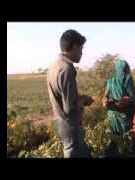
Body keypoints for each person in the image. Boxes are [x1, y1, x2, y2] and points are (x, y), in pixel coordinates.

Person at [47, 29, 93, 158]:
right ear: (73, 47)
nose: (82, 53)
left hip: (61, 122)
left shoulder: (54, 66)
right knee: (74, 152)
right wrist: (84, 100)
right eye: (81, 48)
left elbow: (63, 97)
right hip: (70, 124)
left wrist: (79, 98)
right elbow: (70, 108)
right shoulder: (67, 69)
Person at [102, 58, 135, 157]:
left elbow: (132, 97)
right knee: (123, 141)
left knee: (121, 140)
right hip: (116, 115)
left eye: (125, 69)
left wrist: (126, 99)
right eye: (123, 68)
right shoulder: (112, 81)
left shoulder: (127, 79)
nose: (124, 71)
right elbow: (105, 96)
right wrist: (105, 101)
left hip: (122, 115)